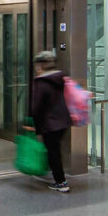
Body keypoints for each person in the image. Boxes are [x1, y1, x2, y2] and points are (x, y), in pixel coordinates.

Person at [28, 50, 72, 193]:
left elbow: (37, 107)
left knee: (53, 152)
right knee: (54, 150)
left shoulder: (42, 82)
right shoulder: (60, 78)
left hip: (51, 123)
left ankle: (61, 182)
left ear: (41, 65)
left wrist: (35, 125)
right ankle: (54, 174)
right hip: (63, 121)